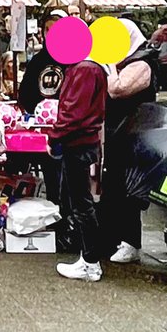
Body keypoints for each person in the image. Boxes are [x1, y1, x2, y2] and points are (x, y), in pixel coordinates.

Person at [101, 20, 159, 266]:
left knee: (128, 189)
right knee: (113, 184)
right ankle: (113, 238)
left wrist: (110, 65)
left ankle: (131, 242)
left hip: (135, 135)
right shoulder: (128, 61)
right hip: (117, 133)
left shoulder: (142, 63)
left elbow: (117, 89)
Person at [50, 58, 108, 282]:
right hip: (83, 141)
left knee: (81, 204)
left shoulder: (84, 70)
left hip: (78, 143)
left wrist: (54, 135)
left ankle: (90, 263)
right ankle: (89, 260)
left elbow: (74, 112)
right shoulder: (90, 68)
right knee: (81, 202)